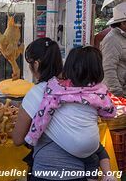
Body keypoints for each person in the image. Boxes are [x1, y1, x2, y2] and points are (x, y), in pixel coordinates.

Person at [12, 38, 116, 181]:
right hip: (80, 173)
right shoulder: (87, 91)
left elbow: (17, 139)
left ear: (36, 64)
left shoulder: (39, 93)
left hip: (45, 174)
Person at [100, 2, 126, 97]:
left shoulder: (123, 37)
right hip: (116, 92)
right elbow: (108, 68)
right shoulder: (112, 39)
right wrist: (118, 93)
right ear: (123, 23)